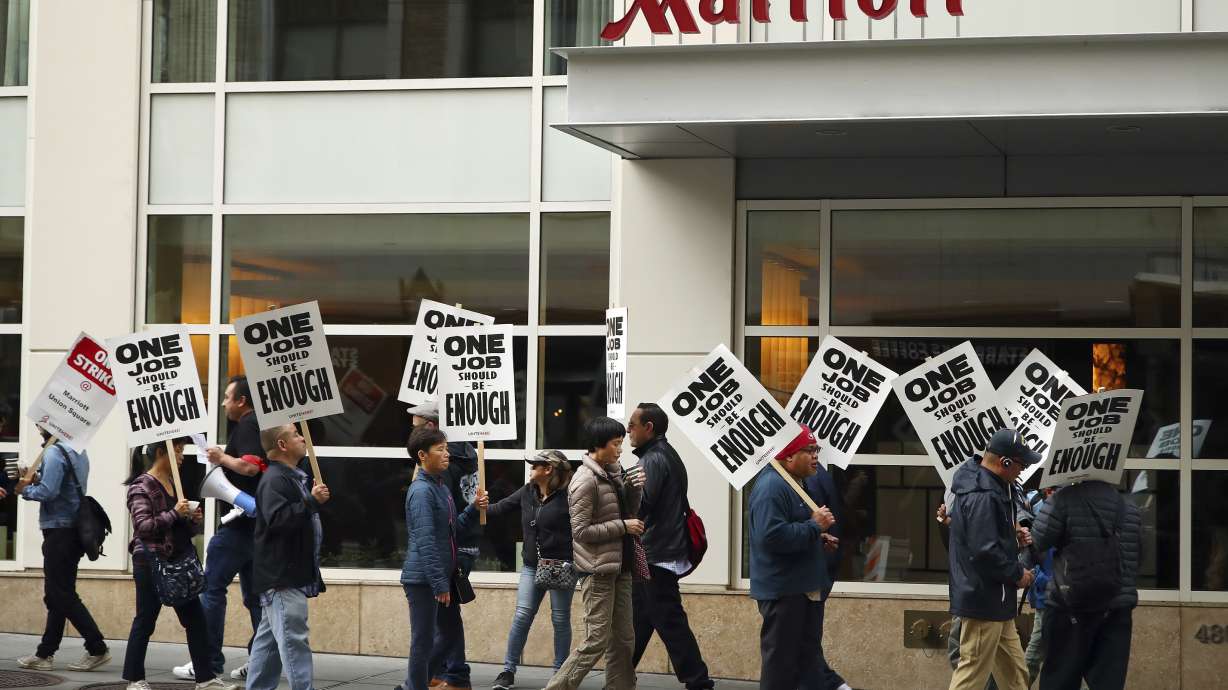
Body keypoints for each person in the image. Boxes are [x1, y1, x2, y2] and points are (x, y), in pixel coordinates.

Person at [174, 376, 266, 683]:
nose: (224, 402)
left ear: (242, 401)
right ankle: (259, 660)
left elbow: (251, 467)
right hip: (254, 528)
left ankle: (208, 661)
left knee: (211, 590)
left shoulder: (249, 425)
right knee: (255, 598)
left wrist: (221, 457)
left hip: (239, 527)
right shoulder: (257, 424)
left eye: (227, 397)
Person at [123, 438, 233, 690]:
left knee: (195, 620)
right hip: (151, 564)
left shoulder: (173, 483)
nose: (182, 456)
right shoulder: (141, 486)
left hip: (175, 563)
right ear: (162, 453)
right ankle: (135, 679)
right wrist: (175, 513)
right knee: (145, 620)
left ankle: (205, 679)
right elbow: (143, 527)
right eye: (178, 451)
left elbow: (179, 528)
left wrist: (191, 519)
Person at [544, 416, 645, 690]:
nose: (620, 449)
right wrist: (623, 527)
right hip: (597, 570)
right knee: (596, 639)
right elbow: (581, 531)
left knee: (624, 638)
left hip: (620, 566)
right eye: (615, 444)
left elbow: (629, 513)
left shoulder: (613, 471)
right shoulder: (585, 480)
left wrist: (634, 489)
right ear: (597, 446)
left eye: (621, 443)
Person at [626, 402, 714, 690]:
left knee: (669, 620)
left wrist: (620, 500)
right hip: (658, 551)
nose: (628, 430)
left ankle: (698, 681)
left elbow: (641, 503)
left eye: (632, 425)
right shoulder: (666, 454)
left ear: (648, 427)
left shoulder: (652, 460)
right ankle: (620, 677)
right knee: (640, 618)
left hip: (656, 552)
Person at [946, 428, 1037, 690]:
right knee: (972, 674)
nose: (1022, 470)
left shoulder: (987, 487)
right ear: (1005, 462)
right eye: (1021, 464)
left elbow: (983, 540)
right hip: (985, 601)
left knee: (1016, 675)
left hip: (995, 601)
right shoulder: (984, 494)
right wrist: (1018, 574)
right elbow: (985, 551)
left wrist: (1011, 535)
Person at [399, 425, 489, 690]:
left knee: (448, 635)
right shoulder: (421, 491)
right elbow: (426, 541)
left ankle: (414, 684)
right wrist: (439, 584)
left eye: (447, 448)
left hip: (441, 577)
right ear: (422, 455)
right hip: (423, 580)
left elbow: (451, 532)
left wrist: (473, 509)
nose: (447, 454)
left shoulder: (440, 487)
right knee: (423, 641)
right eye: (440, 450)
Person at [13, 428, 110, 672]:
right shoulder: (78, 450)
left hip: (59, 531)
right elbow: (63, 485)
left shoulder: (54, 452)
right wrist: (35, 480)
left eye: (41, 424)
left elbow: (49, 492)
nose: (37, 428)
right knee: (56, 594)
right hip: (72, 530)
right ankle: (45, 653)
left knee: (63, 594)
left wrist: (24, 490)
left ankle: (97, 647)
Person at [1031, 478, 1142, 690]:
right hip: (1116, 609)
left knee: (1059, 679)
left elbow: (1039, 540)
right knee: (1108, 682)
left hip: (1069, 607)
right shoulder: (1128, 507)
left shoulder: (1061, 500)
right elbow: (1137, 558)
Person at [747, 426, 836, 690]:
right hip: (785, 591)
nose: (815, 455)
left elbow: (790, 526)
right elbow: (770, 536)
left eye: (815, 449)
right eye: (808, 450)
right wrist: (814, 528)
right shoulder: (772, 486)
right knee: (781, 665)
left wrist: (816, 537)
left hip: (800, 587)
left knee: (807, 662)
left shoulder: (794, 483)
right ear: (787, 457)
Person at [245, 423, 331, 690]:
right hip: (282, 577)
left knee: (268, 646)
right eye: (295, 434)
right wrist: (311, 501)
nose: (302, 437)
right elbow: (278, 521)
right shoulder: (275, 480)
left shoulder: (290, 477)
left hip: (285, 575)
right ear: (282, 445)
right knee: (294, 642)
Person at [486, 450, 575, 690]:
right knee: (522, 615)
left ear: (548, 469)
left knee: (560, 619)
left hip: (560, 566)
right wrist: (480, 506)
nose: (530, 468)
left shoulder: (569, 495)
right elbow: (500, 508)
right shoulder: (527, 492)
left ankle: (559, 673)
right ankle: (507, 671)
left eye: (535, 465)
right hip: (531, 565)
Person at [801, 455, 852, 690]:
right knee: (804, 639)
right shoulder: (815, 474)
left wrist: (813, 530)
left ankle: (833, 685)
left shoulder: (809, 478)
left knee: (802, 640)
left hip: (810, 569)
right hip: (820, 565)